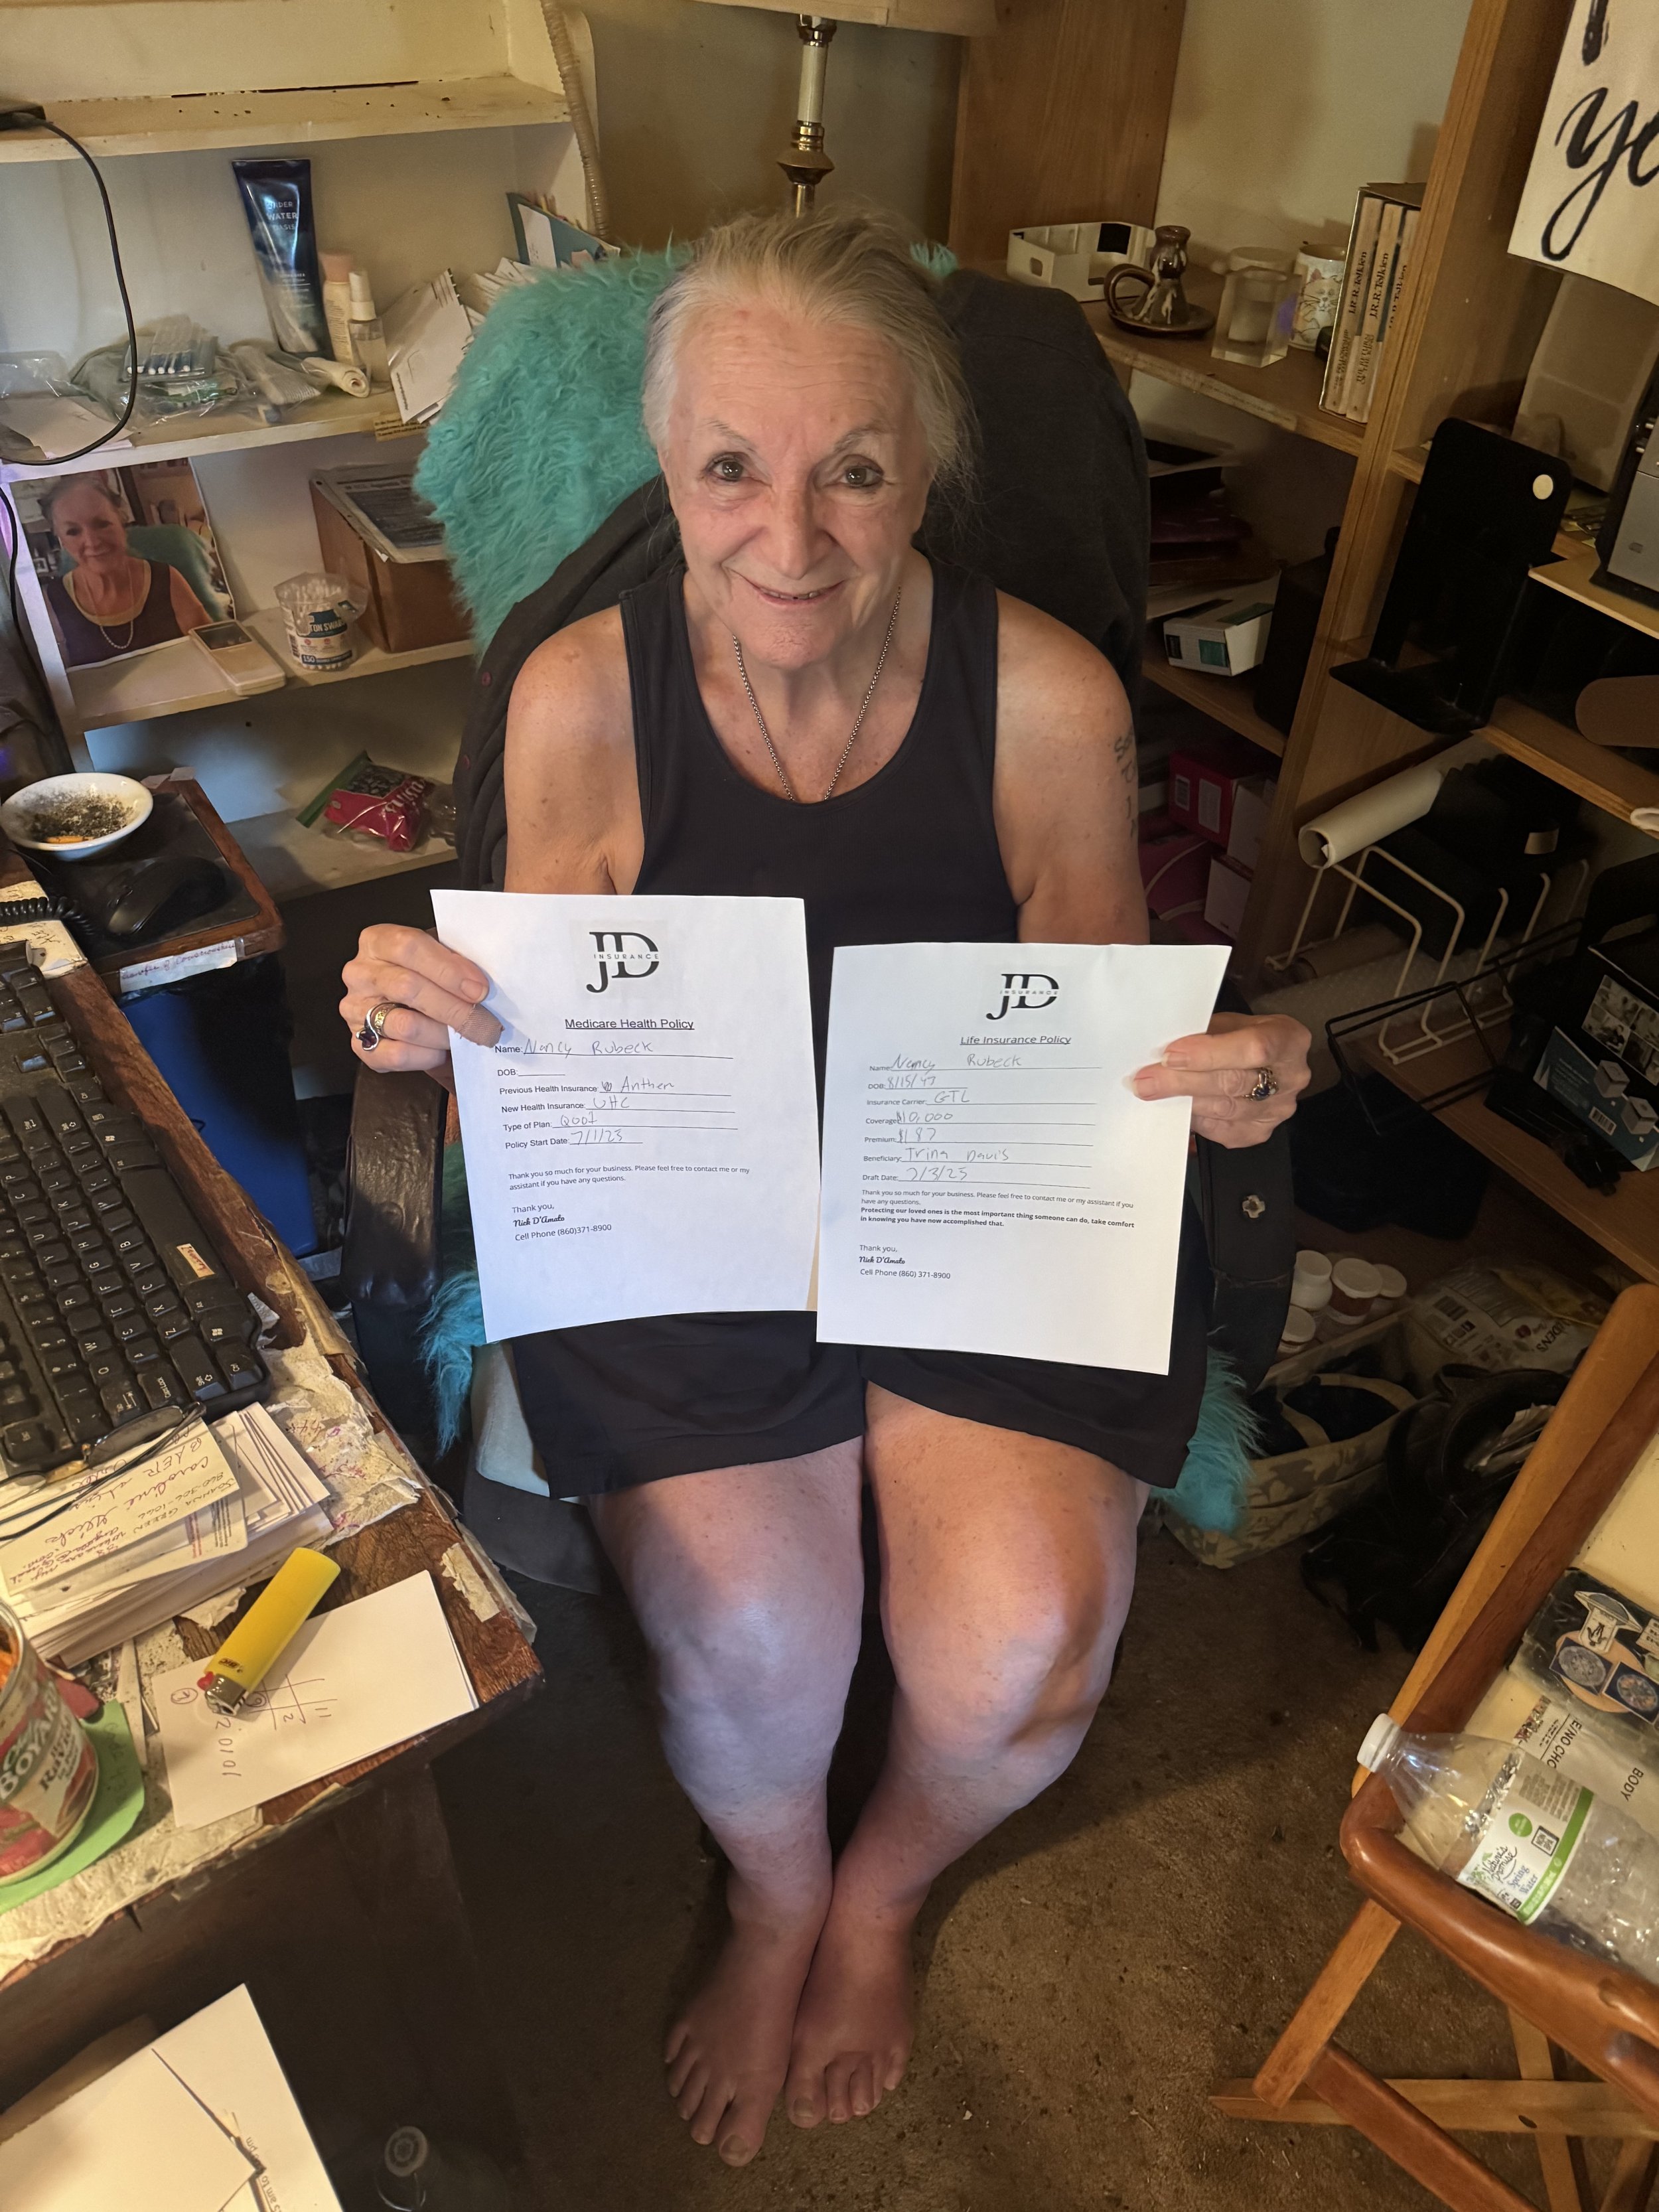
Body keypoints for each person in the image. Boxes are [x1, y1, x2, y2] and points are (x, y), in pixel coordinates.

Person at [340, 208, 1311, 2170]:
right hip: (697, 1219)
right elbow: (539, 1022)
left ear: (923, 469)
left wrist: (1228, 1071)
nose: (788, 535)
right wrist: (428, 1020)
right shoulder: (577, 703)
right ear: (664, 470)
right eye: (731, 470)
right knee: (751, 1642)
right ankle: (775, 1890)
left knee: (1023, 1633)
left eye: (851, 470)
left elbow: (1102, 1018)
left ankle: (875, 1896)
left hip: (969, 1212)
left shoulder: (1039, 695)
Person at [40, 475, 211, 666]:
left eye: (102, 524)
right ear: (60, 539)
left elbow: (213, 651)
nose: (92, 542)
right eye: (73, 532)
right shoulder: (52, 602)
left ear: (121, 519)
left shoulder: (167, 578)